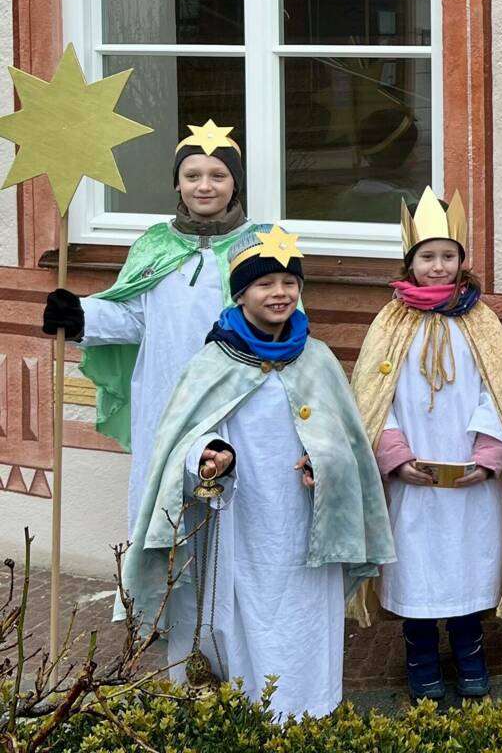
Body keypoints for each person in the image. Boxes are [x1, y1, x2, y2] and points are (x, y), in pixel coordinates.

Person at [120, 225, 395, 719]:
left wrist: (325, 463)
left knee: (304, 612)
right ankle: (243, 711)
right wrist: (211, 454)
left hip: (303, 522)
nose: (280, 293)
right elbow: (184, 441)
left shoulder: (318, 359)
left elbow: (346, 444)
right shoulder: (212, 362)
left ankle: (306, 709)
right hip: (237, 521)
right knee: (235, 613)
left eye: (290, 283)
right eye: (265, 283)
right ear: (242, 292)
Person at [349, 188, 502, 700]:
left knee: (468, 562)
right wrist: (395, 454)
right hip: (412, 473)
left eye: (447, 256)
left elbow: (496, 391)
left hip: (470, 470)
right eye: (427, 257)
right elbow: (373, 396)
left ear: (462, 261)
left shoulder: (479, 321)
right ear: (410, 263)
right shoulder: (390, 323)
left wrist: (488, 453)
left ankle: (471, 650)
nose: (438, 266)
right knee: (415, 565)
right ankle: (421, 654)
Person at [40, 120, 251, 535]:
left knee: (231, 508)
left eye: (218, 175)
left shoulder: (259, 244)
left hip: (234, 398)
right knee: (165, 508)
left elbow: (282, 315)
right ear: (177, 184)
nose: (204, 186)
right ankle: (157, 598)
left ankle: (226, 601)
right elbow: (136, 318)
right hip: (164, 393)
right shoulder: (154, 244)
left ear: (235, 183)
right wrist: (81, 316)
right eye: (192, 176)